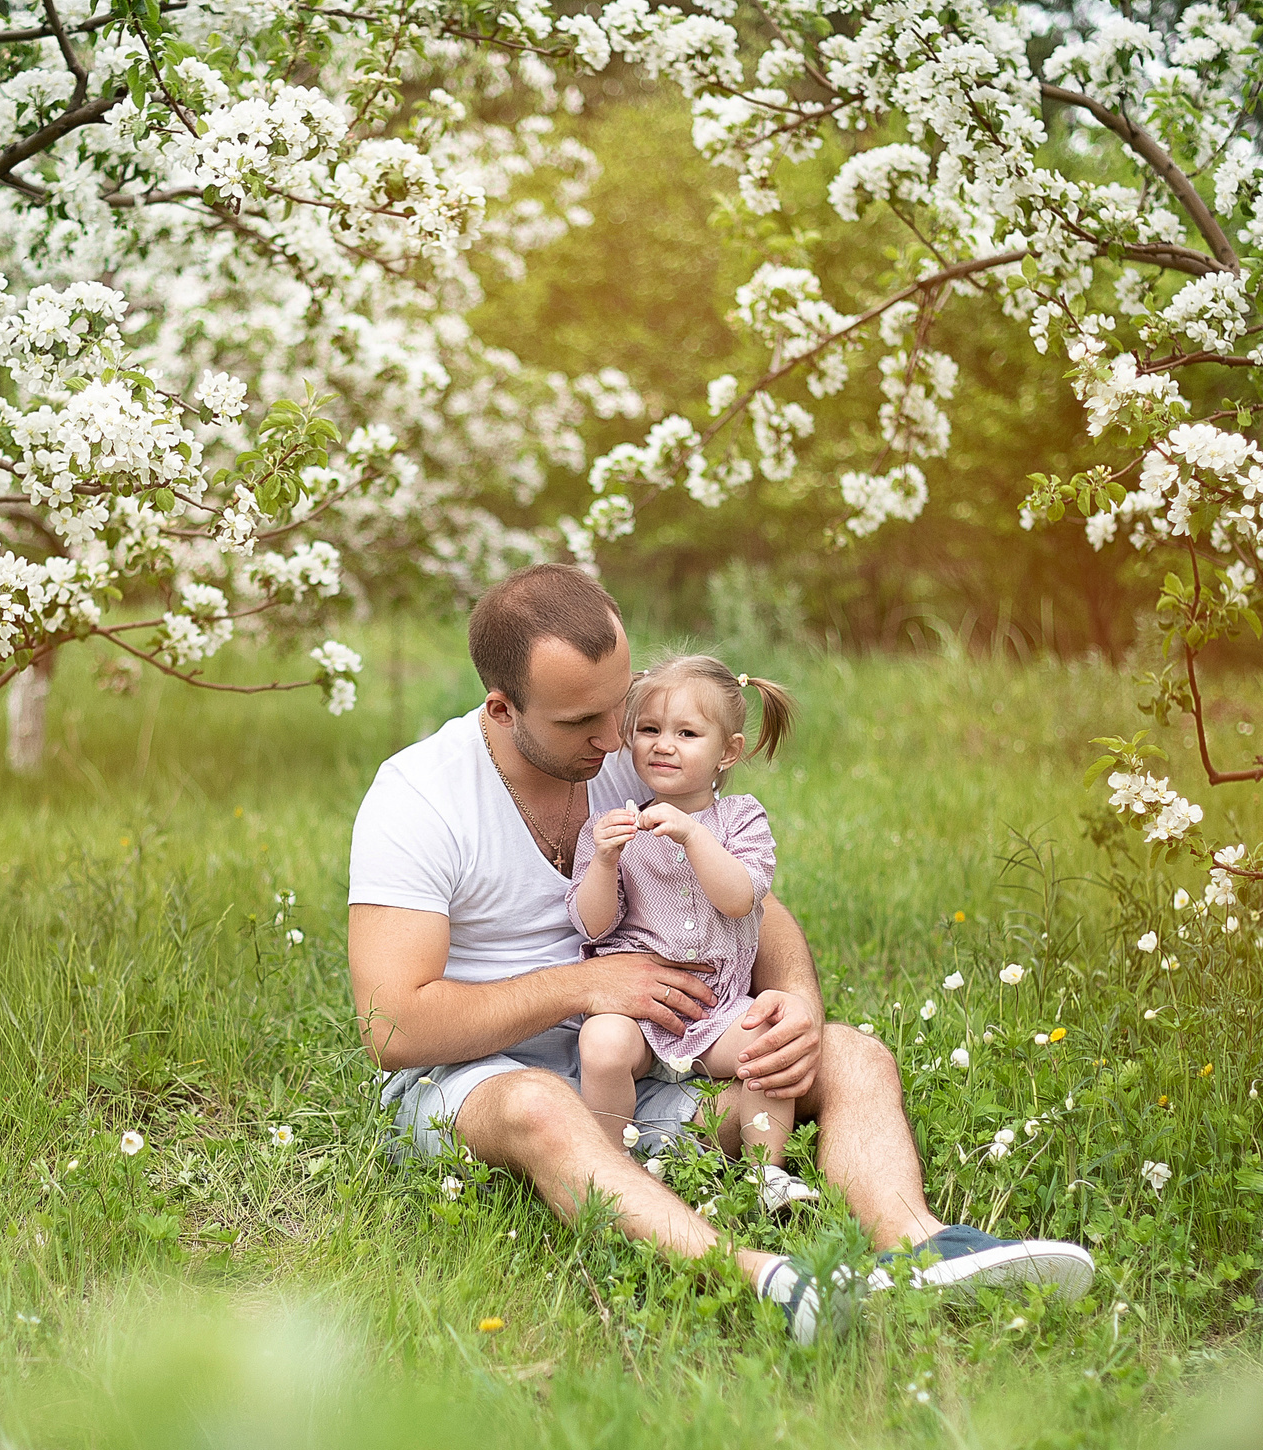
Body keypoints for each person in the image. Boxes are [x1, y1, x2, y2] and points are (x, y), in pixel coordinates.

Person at [345, 564, 1093, 1343]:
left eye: (620, 704)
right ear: (503, 707)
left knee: (852, 1055)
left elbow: (757, 907)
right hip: (483, 1084)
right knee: (541, 1104)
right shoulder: (421, 799)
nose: (615, 738)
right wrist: (585, 985)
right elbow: (394, 1027)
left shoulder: (635, 752)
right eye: (580, 721)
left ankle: (921, 1246)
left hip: (653, 1070)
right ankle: (770, 1280)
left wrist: (795, 1004)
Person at [570, 653, 819, 1218]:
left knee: (767, 1045)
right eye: (649, 730)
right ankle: (610, 1174)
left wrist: (692, 836)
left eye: (686, 733)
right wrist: (604, 862)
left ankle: (766, 1175)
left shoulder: (740, 820)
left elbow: (740, 897)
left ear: (727, 752)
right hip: (636, 1010)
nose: (664, 745)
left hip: (716, 1008)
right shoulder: (611, 827)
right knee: (601, 1044)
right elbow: (594, 925)